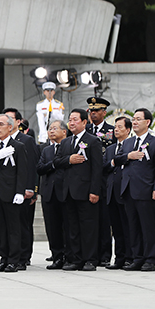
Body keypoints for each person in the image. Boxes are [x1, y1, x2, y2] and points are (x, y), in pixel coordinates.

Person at [53, 108, 102, 271]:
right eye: (70, 119)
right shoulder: (66, 142)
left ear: (84, 122)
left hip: (86, 191)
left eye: (75, 120)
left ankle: (90, 259)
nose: (71, 123)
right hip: (68, 191)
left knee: (88, 227)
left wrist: (95, 191)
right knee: (72, 227)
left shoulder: (93, 141)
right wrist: (69, 159)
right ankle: (75, 259)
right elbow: (58, 161)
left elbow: (97, 169)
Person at [0, 113, 28, 273]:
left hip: (11, 192)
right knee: (1, 228)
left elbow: (23, 171)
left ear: (10, 127)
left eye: (1, 125)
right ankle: (3, 258)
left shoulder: (19, 146)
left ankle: (14, 260)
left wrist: (20, 192)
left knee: (13, 228)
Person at [114, 108, 155, 271]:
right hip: (128, 190)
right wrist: (128, 156)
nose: (135, 121)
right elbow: (116, 159)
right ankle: (137, 257)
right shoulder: (129, 143)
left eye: (138, 119)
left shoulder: (153, 142)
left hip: (146, 190)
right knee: (133, 226)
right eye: (134, 119)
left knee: (148, 227)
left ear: (148, 122)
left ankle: (151, 258)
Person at [2, 108, 39, 269]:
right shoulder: (1, 141)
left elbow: (32, 165)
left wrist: (32, 189)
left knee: (23, 223)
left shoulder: (27, 140)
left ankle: (24, 256)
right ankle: (9, 256)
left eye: (11, 119)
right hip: (6, 189)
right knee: (8, 225)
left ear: (18, 122)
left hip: (23, 190)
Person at [36, 119, 70, 270]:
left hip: (65, 191)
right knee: (52, 226)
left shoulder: (70, 147)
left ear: (64, 131)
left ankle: (69, 256)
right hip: (49, 192)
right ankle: (57, 256)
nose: (51, 131)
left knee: (68, 225)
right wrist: (54, 164)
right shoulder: (46, 150)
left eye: (55, 128)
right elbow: (40, 168)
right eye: (50, 129)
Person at [86, 96, 114, 266]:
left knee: (104, 219)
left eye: (96, 111)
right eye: (91, 111)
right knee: (90, 219)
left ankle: (104, 255)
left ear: (104, 112)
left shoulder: (111, 130)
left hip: (104, 178)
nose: (93, 113)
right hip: (87, 179)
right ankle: (92, 253)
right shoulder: (86, 129)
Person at [102, 116, 132, 269]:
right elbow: (104, 167)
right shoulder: (110, 149)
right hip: (111, 192)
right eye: (115, 127)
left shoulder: (131, 146)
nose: (116, 130)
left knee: (128, 227)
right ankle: (119, 258)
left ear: (128, 129)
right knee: (116, 228)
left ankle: (129, 257)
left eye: (120, 127)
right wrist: (113, 162)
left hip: (125, 191)